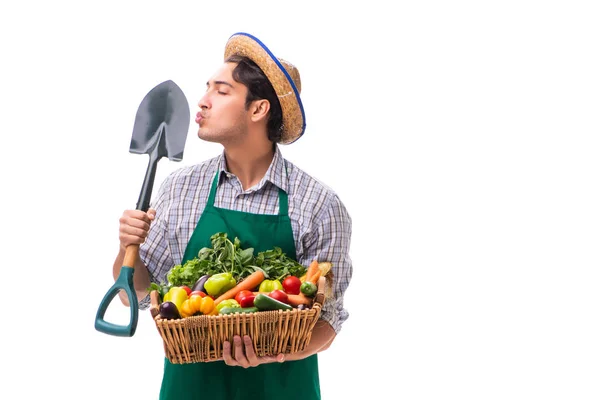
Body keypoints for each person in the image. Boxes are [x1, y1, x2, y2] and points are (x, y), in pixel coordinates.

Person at [112, 32, 353, 400]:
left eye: (221, 92)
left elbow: (328, 320)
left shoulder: (318, 204)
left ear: (258, 110)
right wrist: (127, 247)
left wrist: (275, 353)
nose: (203, 101)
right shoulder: (181, 188)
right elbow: (138, 295)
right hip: (190, 391)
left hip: (283, 390)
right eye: (206, 88)